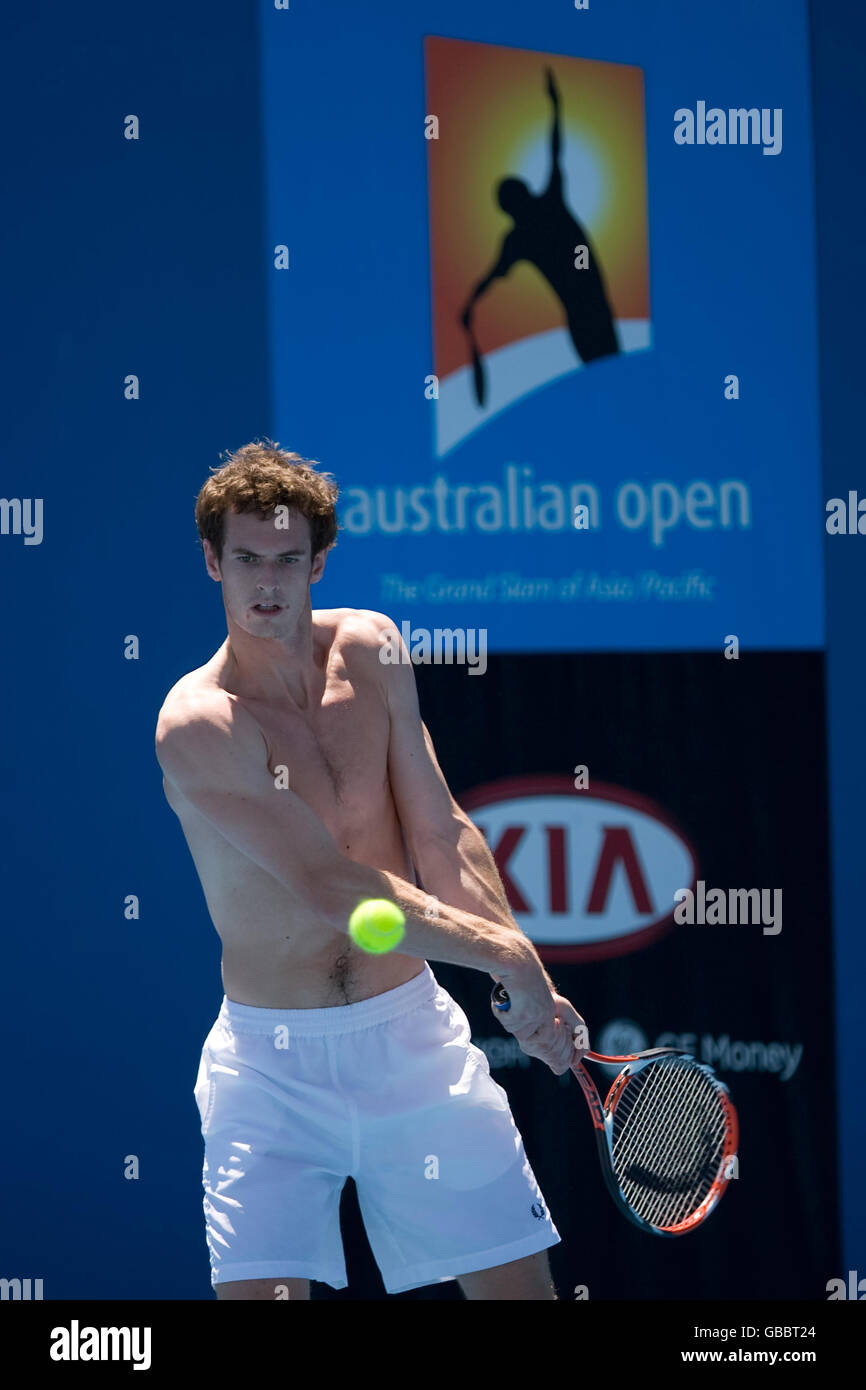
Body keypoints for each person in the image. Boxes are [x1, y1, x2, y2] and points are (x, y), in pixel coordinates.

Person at [155, 439, 587, 1300]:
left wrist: (511, 961)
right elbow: (333, 891)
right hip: (268, 1073)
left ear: (321, 560)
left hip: (414, 1046)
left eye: (287, 560)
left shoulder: (373, 648)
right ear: (213, 562)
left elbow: (440, 829)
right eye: (246, 559)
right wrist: (509, 959)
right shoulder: (197, 723)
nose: (267, 583)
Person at [459, 67, 620, 365]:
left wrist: (469, 305)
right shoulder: (539, 214)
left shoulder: (521, 234)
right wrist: (556, 105)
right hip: (589, 313)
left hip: (587, 313)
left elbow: (490, 278)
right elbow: (555, 150)